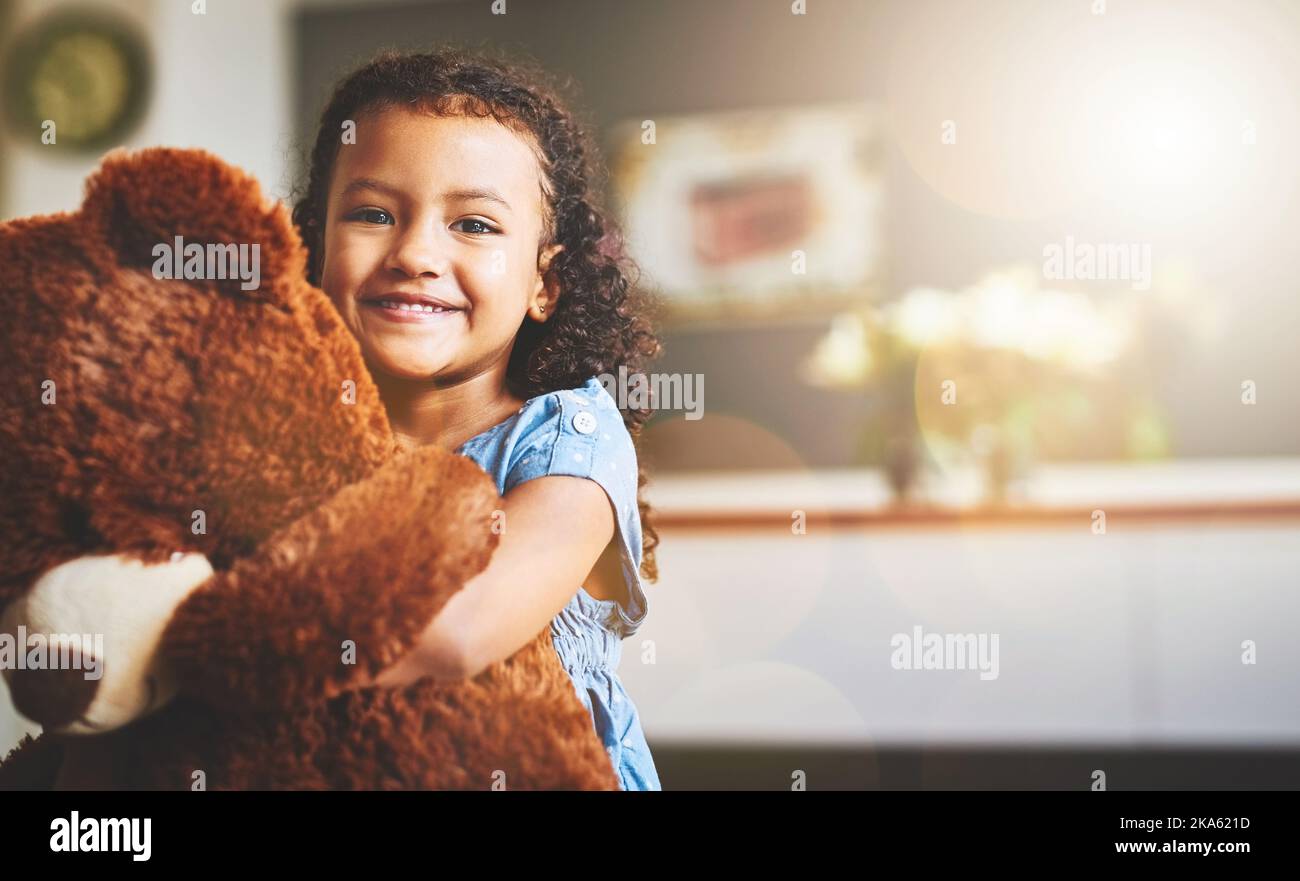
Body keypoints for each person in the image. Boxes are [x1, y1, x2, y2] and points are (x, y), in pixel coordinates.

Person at [291, 47, 663, 790]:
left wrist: (204, 642)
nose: (416, 252)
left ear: (544, 283)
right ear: (314, 245)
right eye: (371, 214)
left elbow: (457, 629)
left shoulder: (569, 438)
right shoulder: (300, 435)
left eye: (474, 225)